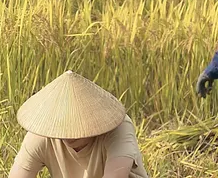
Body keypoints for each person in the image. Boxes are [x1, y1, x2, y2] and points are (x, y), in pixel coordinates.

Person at [8, 70, 149, 178]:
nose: (68, 135)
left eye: (76, 125)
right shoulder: (41, 136)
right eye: (63, 125)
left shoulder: (119, 129)